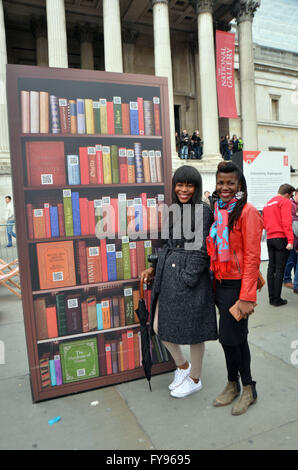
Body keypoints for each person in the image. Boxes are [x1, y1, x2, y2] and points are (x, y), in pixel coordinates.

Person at [141, 165, 218, 398]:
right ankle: (183, 366)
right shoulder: (173, 210)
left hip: (189, 279)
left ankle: (195, 378)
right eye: (180, 184)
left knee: (195, 331)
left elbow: (202, 249)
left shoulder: (203, 212)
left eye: (189, 185)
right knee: (158, 326)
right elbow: (167, 244)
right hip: (168, 275)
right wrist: (155, 268)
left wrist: (188, 277)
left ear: (196, 187)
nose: (184, 189)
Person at [207, 161, 263, 415]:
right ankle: (234, 383)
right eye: (221, 182)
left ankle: (247, 387)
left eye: (230, 183)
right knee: (233, 339)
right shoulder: (219, 210)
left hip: (238, 286)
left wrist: (247, 296)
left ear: (239, 184)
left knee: (233, 338)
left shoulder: (247, 211)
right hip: (220, 283)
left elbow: (252, 257)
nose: (225, 187)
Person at [262, 184, 295, 306]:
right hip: (281, 238)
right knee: (280, 269)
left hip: (270, 238)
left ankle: (272, 298)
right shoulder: (285, 202)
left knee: (271, 268)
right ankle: (277, 299)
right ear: (287, 194)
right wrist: (290, 240)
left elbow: (264, 223)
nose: (290, 198)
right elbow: (286, 222)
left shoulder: (268, 203)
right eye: (291, 196)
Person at [283, 188, 298, 293]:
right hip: (292, 239)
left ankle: (292, 281)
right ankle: (287, 280)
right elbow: (294, 225)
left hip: (295, 239)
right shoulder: (291, 205)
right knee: (290, 261)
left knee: (294, 261)